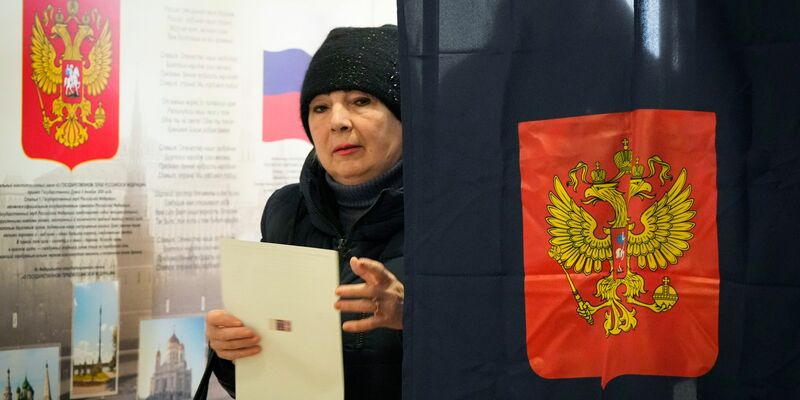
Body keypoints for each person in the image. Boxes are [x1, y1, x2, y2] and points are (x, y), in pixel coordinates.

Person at [202, 25, 404, 399]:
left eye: (360, 101)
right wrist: (228, 349)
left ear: (405, 114)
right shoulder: (287, 210)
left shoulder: (452, 216)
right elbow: (264, 376)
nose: (337, 121)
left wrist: (414, 318)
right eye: (320, 107)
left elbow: (491, 353)